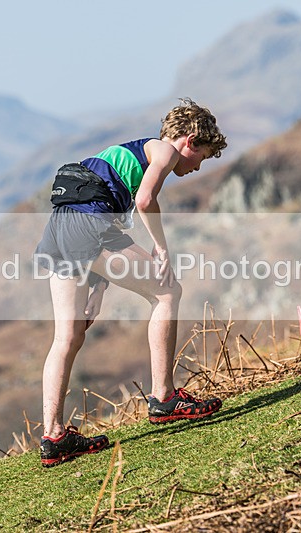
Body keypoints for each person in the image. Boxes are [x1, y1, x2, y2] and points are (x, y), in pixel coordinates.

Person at [34, 98, 227, 467]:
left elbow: (97, 215)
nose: (197, 166)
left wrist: (97, 290)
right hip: (90, 227)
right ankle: (164, 397)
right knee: (169, 290)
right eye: (202, 156)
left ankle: (54, 435)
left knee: (68, 336)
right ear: (189, 141)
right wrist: (160, 247)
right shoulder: (164, 151)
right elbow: (144, 200)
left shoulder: (124, 156)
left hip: (60, 230)